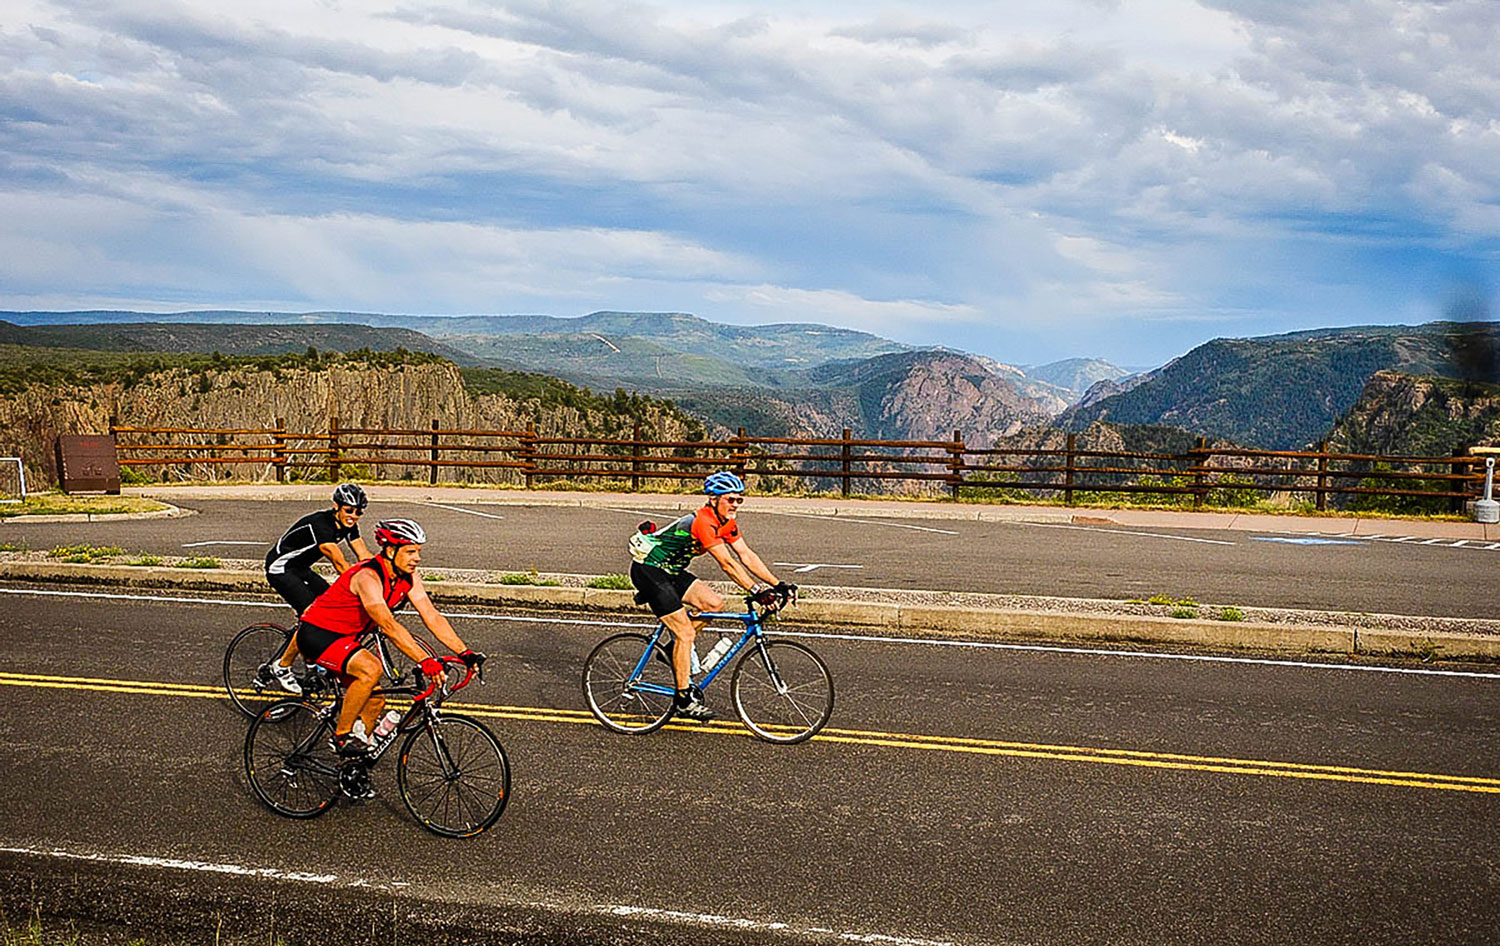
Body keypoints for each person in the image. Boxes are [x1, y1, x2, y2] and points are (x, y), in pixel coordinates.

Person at [295, 518, 484, 786]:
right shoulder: (367, 577)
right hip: (318, 635)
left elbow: (430, 615)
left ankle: (349, 771)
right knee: (370, 669)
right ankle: (342, 735)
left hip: (346, 639)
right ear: (390, 550)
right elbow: (388, 625)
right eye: (410, 551)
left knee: (375, 703)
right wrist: (426, 661)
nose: (417, 557)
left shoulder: (408, 577)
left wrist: (464, 652)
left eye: (418, 551)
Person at [628, 471, 795, 720]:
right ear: (713, 499)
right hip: (649, 571)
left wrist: (777, 584)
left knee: (713, 604)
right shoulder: (704, 521)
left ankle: (675, 652)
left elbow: (745, 555)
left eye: (740, 500)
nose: (736, 504)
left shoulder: (727, 522)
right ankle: (683, 699)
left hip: (671, 572)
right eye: (730, 499)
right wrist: (757, 591)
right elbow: (727, 563)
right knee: (685, 633)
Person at [260, 483, 372, 694]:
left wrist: (380, 575)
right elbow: (340, 564)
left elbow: (363, 554)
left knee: (331, 606)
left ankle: (314, 655)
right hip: (280, 568)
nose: (353, 516)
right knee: (312, 615)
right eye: (349, 510)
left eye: (358, 512)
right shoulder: (321, 525)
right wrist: (363, 591)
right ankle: (282, 666)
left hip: (300, 568)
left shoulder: (348, 525)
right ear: (336, 506)